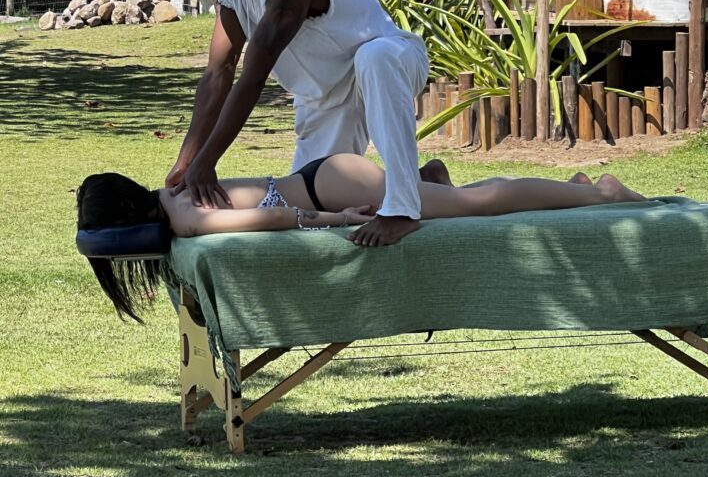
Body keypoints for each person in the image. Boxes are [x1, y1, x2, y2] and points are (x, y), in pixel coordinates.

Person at [77, 156, 646, 322]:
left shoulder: (186, 221)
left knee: (480, 206)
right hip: (322, 177)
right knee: (458, 200)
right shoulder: (175, 190)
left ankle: (602, 194)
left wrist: (337, 221)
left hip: (330, 190)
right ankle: (431, 180)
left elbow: (276, 220)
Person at [167, 0, 430, 248]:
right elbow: (219, 72)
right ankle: (431, 181)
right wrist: (187, 161)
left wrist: (208, 160)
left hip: (390, 61)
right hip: (324, 99)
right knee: (312, 205)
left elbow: (253, 74)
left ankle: (402, 211)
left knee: (374, 56)